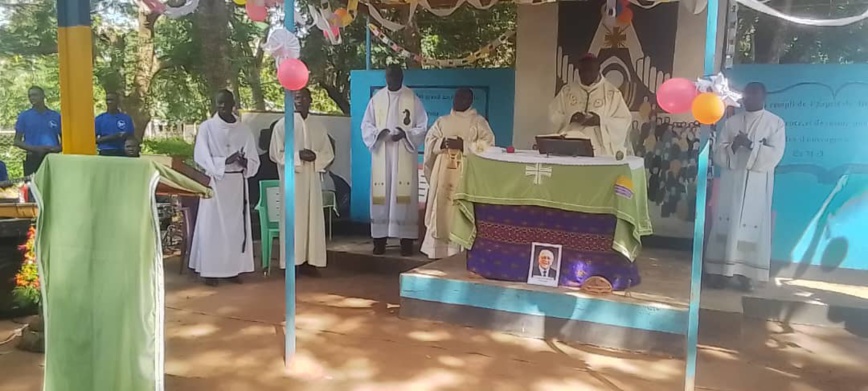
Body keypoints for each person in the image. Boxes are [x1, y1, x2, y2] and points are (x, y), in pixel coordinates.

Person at [705, 82, 785, 292]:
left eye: (754, 94)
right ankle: (721, 272)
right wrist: (734, 145)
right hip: (733, 180)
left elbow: (775, 154)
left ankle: (746, 275)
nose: (750, 98)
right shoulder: (732, 122)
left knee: (751, 227)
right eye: (747, 94)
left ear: (763, 96)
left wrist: (751, 145)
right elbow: (719, 151)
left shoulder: (775, 123)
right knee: (727, 224)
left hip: (758, 185)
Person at [189, 90, 260, 286]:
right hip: (215, 184)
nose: (222, 107)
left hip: (237, 184)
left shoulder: (244, 130)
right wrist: (223, 162)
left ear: (233, 104)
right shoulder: (207, 128)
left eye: (225, 103)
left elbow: (254, 160)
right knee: (212, 228)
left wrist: (245, 162)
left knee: (235, 229)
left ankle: (232, 269)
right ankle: (210, 271)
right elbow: (200, 156)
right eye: (218, 103)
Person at [361, 64, 428, 256]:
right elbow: (366, 125)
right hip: (382, 152)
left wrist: (406, 134)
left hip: (403, 154)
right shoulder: (377, 99)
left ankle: (406, 242)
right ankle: (379, 241)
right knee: (382, 197)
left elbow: (422, 126)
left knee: (403, 197)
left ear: (402, 76)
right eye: (389, 76)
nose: (393, 79)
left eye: (396, 75)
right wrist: (377, 133)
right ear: (385, 77)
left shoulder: (412, 98)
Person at [421, 88, 495, 259]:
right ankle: (437, 251)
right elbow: (429, 141)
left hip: (465, 173)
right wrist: (442, 143)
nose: (458, 100)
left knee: (458, 209)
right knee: (441, 209)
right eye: (457, 96)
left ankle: (458, 251)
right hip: (443, 174)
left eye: (463, 98)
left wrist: (464, 146)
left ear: (470, 101)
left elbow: (489, 145)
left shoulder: (478, 122)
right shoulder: (443, 121)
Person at [269, 88, 334, 275]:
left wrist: (316, 157)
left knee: (312, 221)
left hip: (312, 181)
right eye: (297, 98)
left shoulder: (318, 126)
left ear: (311, 100)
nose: (301, 101)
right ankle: (291, 263)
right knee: (293, 220)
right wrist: (298, 156)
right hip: (293, 181)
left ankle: (310, 261)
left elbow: (328, 153)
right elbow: (276, 153)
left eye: (304, 97)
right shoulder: (283, 125)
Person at [547, 54, 632, 157]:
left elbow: (623, 120)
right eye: (582, 71)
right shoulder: (567, 91)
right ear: (578, 71)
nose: (586, 74)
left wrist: (600, 121)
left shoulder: (612, 93)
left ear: (598, 70)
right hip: (571, 146)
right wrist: (570, 118)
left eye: (590, 71)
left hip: (599, 151)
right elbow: (552, 116)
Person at [14, 86, 61, 175]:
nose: (32, 98)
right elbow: (16, 141)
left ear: (43, 96)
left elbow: (65, 139)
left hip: (52, 158)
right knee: (33, 186)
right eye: (30, 96)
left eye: (35, 95)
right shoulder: (24, 116)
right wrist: (35, 149)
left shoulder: (55, 116)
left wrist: (57, 148)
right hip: (33, 158)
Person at [95, 92, 135, 156]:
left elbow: (131, 137)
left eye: (112, 100)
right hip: (105, 152)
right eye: (107, 100)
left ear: (117, 102)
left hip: (122, 152)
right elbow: (94, 140)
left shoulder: (126, 118)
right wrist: (114, 137)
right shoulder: (99, 119)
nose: (109, 102)